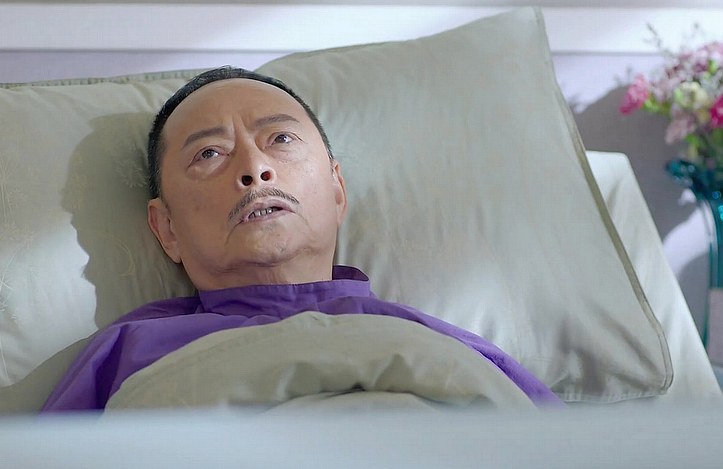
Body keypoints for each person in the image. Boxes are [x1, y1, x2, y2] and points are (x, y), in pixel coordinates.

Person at [42, 67, 560, 411]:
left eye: (281, 139)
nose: (255, 168)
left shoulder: (448, 348)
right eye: (209, 154)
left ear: (337, 190)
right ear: (167, 229)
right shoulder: (124, 354)